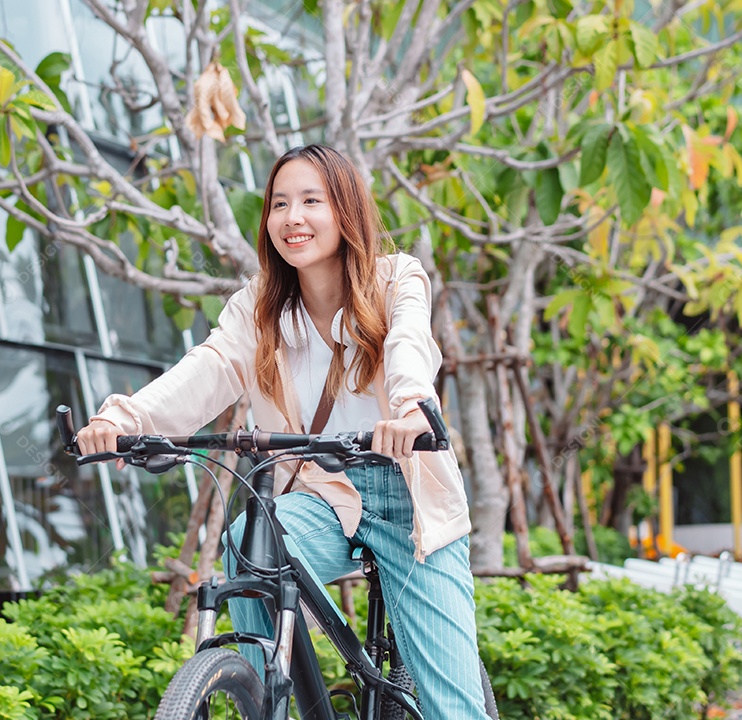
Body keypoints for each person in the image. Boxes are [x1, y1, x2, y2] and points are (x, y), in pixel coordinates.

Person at [77, 144, 490, 719]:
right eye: (279, 204)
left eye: (311, 201)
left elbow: (408, 347)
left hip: (406, 495)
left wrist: (412, 407)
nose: (291, 217)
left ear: (346, 211)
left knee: (455, 707)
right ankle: (276, 700)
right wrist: (124, 420)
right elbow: (210, 367)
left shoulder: (397, 279)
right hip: (321, 493)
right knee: (249, 545)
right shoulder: (259, 307)